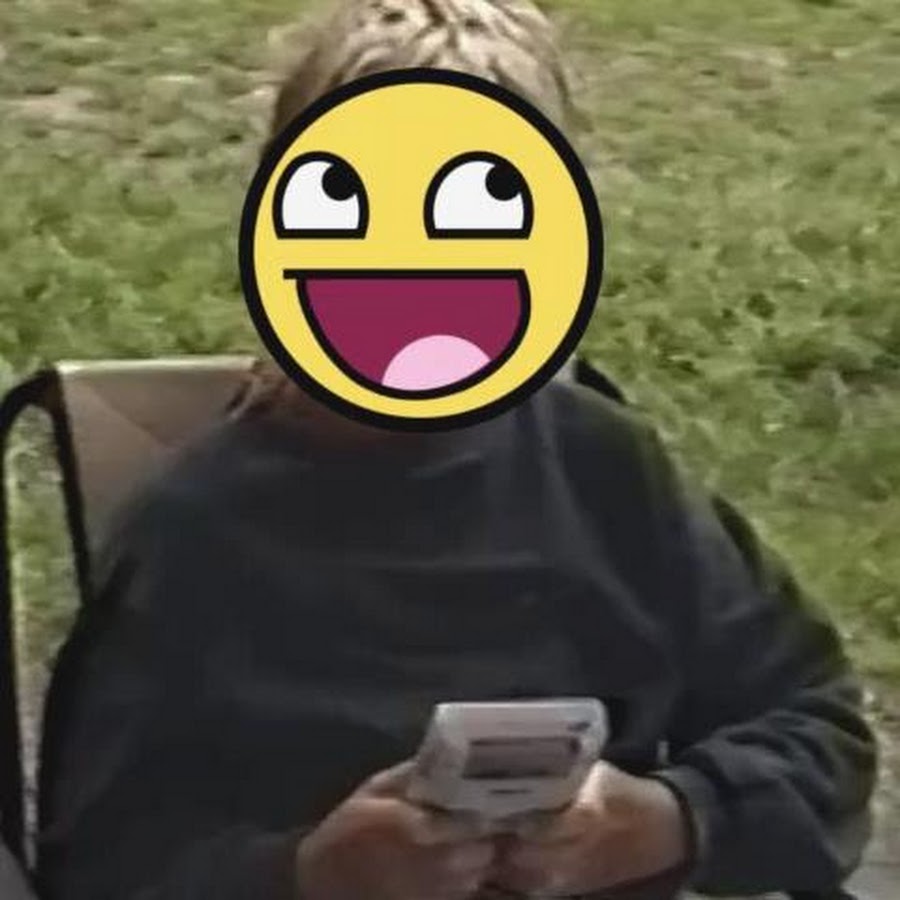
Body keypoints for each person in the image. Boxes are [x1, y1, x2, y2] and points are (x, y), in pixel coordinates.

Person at [34, 2, 876, 899]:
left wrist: (664, 819)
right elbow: (98, 864)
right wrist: (308, 873)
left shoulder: (606, 472)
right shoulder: (199, 533)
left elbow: (819, 728)